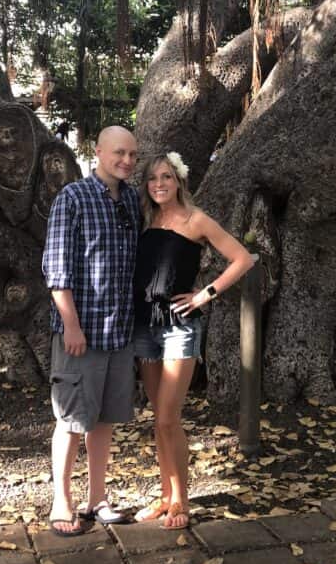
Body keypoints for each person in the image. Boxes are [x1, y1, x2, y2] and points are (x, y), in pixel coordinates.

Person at [133, 151, 252, 529]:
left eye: (166, 177)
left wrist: (204, 295)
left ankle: (181, 501)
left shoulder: (195, 219)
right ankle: (165, 495)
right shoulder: (147, 219)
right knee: (158, 419)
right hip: (144, 326)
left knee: (169, 416)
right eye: (152, 179)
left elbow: (242, 259)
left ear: (178, 180)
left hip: (178, 327)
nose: (159, 185)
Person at [42, 125, 140, 537]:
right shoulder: (74, 198)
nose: (127, 161)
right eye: (119, 153)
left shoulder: (133, 199)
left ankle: (96, 498)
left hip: (120, 332)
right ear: (98, 151)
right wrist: (71, 326)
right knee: (70, 419)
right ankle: (61, 501)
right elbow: (56, 270)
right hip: (80, 334)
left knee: (104, 421)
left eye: (133, 155)